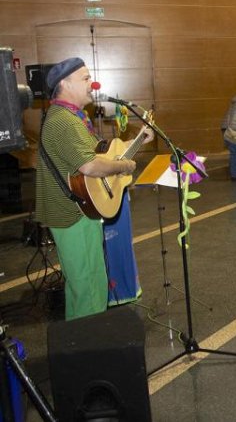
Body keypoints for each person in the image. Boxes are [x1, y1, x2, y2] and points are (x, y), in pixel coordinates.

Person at [36, 57, 153, 320]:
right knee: (87, 284)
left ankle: (88, 340)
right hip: (72, 213)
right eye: (86, 78)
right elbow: (90, 167)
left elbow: (103, 157)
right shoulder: (63, 121)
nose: (93, 83)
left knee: (91, 281)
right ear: (64, 83)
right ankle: (87, 345)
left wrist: (137, 143)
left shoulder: (73, 118)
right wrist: (124, 168)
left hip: (81, 209)